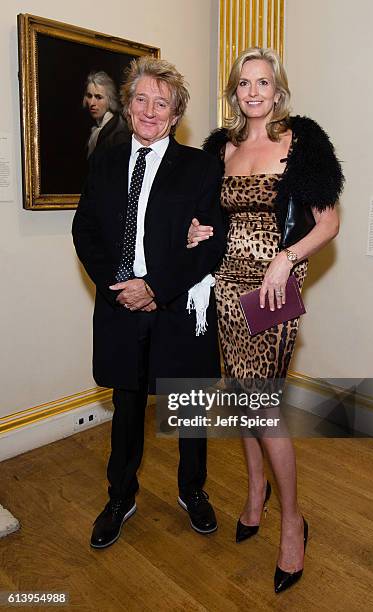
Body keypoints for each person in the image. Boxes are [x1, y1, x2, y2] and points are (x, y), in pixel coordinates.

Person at [187, 47, 344, 593]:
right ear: (234, 92)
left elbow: (329, 224)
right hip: (227, 287)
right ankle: (256, 495)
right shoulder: (220, 149)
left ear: (278, 91)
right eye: (244, 84)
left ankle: (293, 524)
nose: (253, 92)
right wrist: (197, 233)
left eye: (263, 83)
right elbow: (207, 219)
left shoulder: (300, 142)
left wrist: (287, 258)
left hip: (274, 288)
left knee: (264, 406)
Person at [72, 56, 226, 549]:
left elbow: (211, 243)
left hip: (176, 306)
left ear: (177, 113)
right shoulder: (105, 160)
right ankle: (120, 497)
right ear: (129, 104)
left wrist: (154, 286)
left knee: (188, 405)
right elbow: (85, 230)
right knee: (127, 404)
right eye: (141, 99)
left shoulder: (200, 167)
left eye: (163, 103)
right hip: (120, 304)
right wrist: (121, 283)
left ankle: (192, 490)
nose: (150, 110)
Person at [83, 71, 130, 158]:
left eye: (98, 97)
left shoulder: (119, 133)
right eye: (89, 96)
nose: (92, 103)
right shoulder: (97, 128)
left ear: (110, 100)